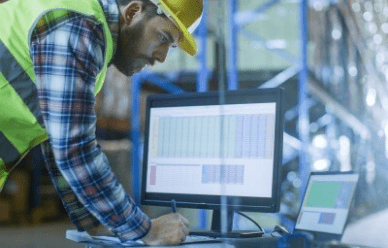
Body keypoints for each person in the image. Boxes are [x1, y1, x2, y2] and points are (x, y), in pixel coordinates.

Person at [0, 0, 203, 245]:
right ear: (133, 12)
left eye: (171, 47)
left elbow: (56, 142)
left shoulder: (87, 34)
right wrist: (143, 229)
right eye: (162, 38)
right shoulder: (79, 27)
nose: (161, 57)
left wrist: (96, 223)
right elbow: (73, 150)